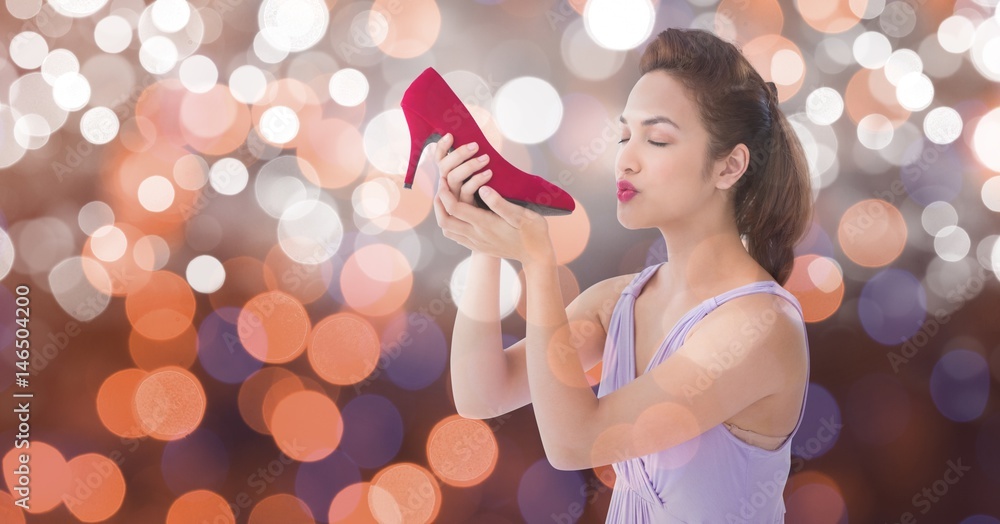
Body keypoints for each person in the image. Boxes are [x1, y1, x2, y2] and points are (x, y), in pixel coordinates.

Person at [432, 27, 812, 523]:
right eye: (623, 135)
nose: (625, 160)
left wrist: (539, 264)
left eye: (656, 139)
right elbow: (482, 392)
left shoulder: (759, 327)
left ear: (730, 166)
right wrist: (485, 238)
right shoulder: (619, 303)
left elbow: (575, 443)